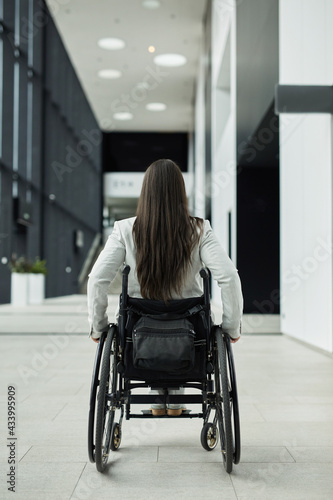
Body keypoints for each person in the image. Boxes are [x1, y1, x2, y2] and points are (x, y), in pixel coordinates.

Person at [87, 159, 243, 416]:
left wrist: (99, 327)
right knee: (185, 323)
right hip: (190, 325)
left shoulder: (125, 230)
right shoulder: (199, 229)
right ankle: (174, 401)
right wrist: (230, 327)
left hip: (137, 326)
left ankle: (158, 401)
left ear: (145, 191)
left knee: (149, 322)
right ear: (180, 192)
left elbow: (97, 279)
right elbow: (228, 276)